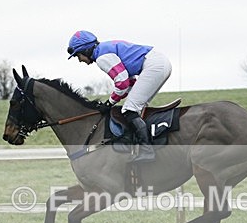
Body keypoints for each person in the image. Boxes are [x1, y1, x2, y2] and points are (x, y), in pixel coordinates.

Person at [67, 30, 172, 162]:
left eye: (78, 56)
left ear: (86, 50)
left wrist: (109, 103)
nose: (80, 60)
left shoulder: (102, 57)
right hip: (158, 63)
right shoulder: (104, 49)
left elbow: (122, 83)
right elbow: (130, 83)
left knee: (129, 109)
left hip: (154, 66)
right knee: (134, 107)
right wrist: (112, 101)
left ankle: (147, 151)